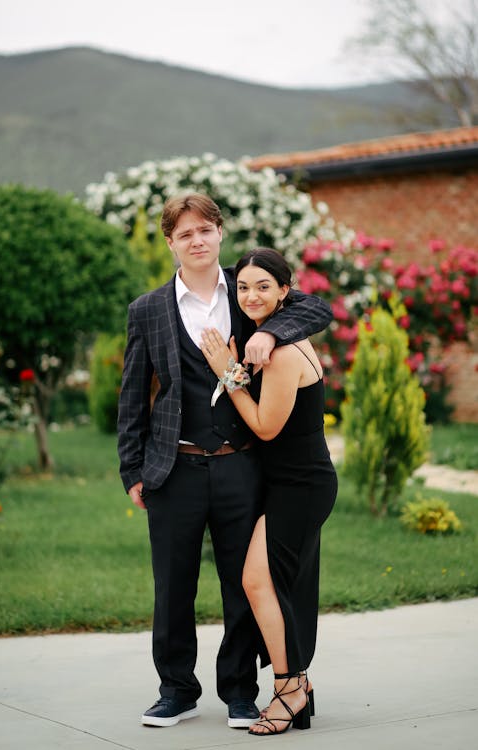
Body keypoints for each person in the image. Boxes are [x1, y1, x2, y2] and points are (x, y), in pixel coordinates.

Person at [117, 194, 333, 729]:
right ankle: (176, 690)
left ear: (219, 234)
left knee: (241, 584)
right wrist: (132, 470)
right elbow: (131, 395)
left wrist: (267, 331)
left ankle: (240, 690)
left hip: (242, 464)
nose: (196, 240)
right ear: (171, 242)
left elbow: (314, 308)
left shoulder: (247, 286)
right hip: (174, 466)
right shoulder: (147, 310)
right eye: (184, 233)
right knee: (173, 585)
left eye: (205, 230)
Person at [200, 247, 337, 737]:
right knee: (278, 586)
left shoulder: (280, 352)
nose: (251, 296)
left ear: (285, 290)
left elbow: (264, 426)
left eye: (263, 286)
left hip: (301, 485)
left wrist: (226, 371)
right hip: (285, 483)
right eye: (242, 287)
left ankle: (289, 689)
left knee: (259, 583)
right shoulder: (277, 334)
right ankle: (296, 681)